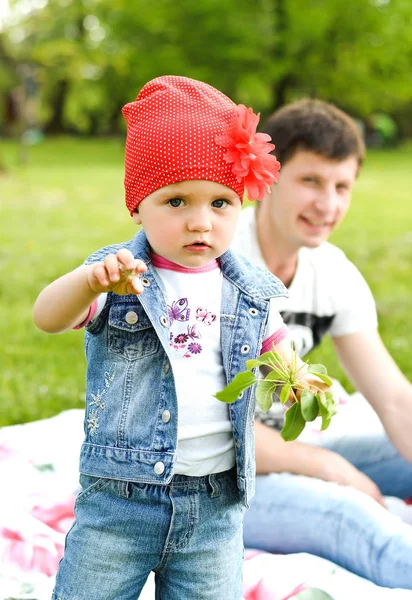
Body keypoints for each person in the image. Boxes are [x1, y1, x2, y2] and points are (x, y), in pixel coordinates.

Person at [33, 76, 327, 600]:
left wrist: (298, 378)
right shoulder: (120, 275)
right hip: (120, 505)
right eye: (176, 202)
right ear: (138, 205)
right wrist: (87, 281)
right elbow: (47, 317)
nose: (200, 221)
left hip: (214, 509)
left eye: (220, 203)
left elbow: (274, 347)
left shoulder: (246, 289)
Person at [231, 99, 412, 589]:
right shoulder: (216, 261)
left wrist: (327, 463)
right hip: (209, 484)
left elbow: (394, 400)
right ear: (268, 179)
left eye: (341, 187)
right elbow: (210, 433)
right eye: (310, 181)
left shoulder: (331, 272)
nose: (328, 205)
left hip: (283, 453)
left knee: (395, 457)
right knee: (351, 515)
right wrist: (328, 467)